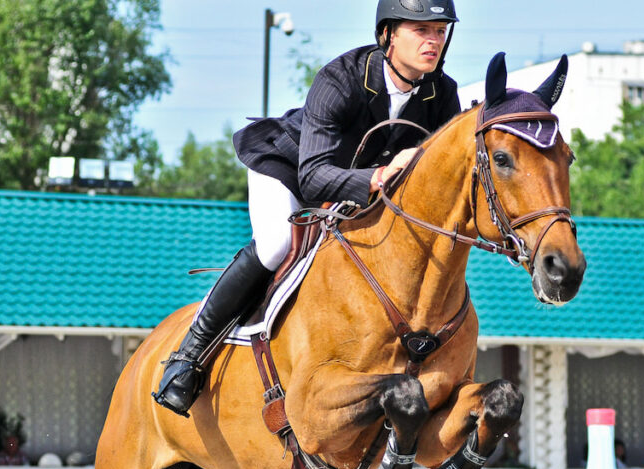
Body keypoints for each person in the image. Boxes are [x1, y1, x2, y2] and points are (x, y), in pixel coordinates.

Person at [152, 0, 462, 417]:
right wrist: (378, 176)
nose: (433, 40)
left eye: (440, 31)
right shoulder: (341, 79)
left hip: (360, 195)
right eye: (421, 30)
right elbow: (314, 175)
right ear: (388, 34)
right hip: (288, 169)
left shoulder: (443, 93)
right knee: (277, 244)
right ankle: (188, 357)